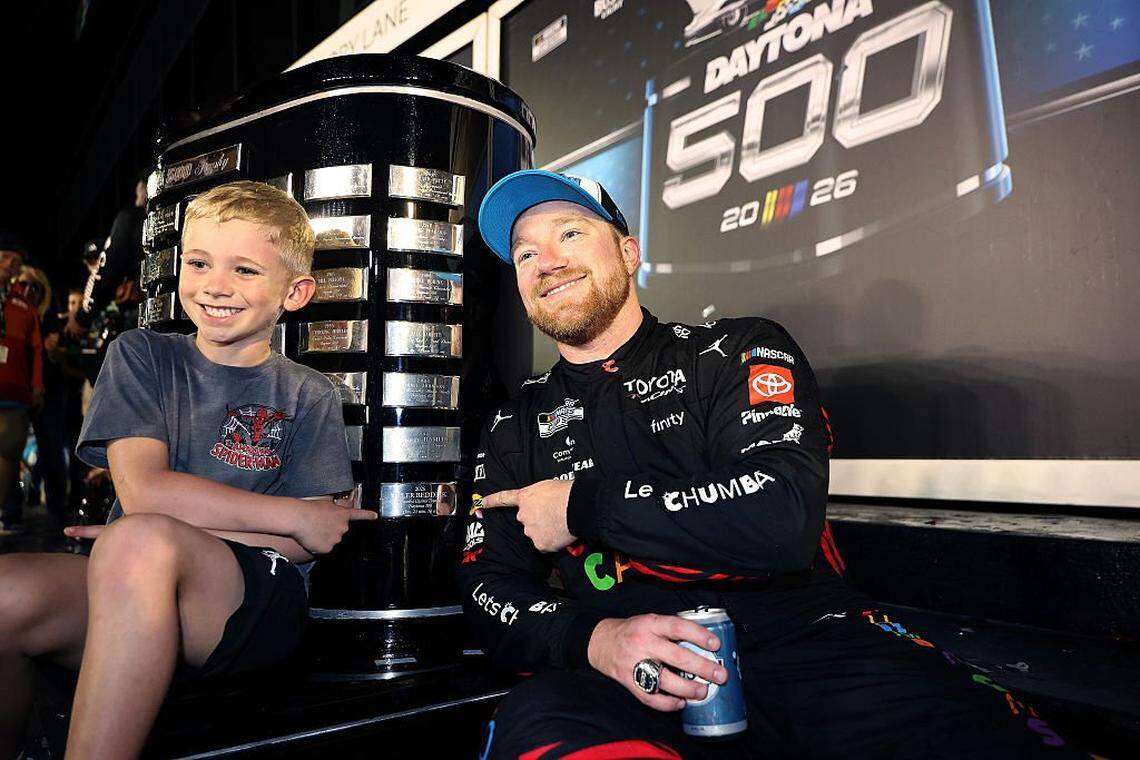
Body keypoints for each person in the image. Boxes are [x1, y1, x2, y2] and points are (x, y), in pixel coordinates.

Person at [460, 170, 1081, 758]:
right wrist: (597, 640)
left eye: (570, 233)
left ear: (628, 253)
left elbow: (780, 515)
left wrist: (581, 506)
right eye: (525, 253)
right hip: (637, 675)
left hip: (812, 644)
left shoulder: (736, 351)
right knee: (536, 722)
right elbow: (488, 584)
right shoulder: (515, 424)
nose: (547, 261)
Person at [0, 180, 376, 758]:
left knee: (139, 542)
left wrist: (158, 535)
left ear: (295, 292)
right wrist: (290, 516)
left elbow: (310, 542)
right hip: (129, 573)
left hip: (250, 599)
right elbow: (146, 493)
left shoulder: (310, 392)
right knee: (8, 593)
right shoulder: (141, 353)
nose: (215, 285)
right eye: (199, 262)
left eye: (245, 270)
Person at [65, 175, 147, 341]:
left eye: (138, 195)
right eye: (90, 261)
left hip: (144, 315)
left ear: (144, 194)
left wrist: (82, 318)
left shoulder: (132, 217)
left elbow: (106, 271)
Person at [0, 237, 43, 533]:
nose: (9, 265)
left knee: (8, 452)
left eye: (15, 262)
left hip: (14, 391)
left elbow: (37, 350)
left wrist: (37, 385)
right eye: (4, 257)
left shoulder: (25, 307)